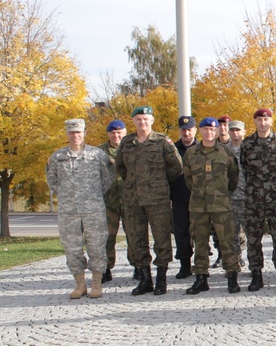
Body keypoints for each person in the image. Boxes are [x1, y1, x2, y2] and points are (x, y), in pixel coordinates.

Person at [116, 106, 184, 296]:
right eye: (138, 119)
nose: (142, 122)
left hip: (158, 199)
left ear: (152, 121)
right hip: (133, 199)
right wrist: (133, 182)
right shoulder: (127, 142)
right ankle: (145, 279)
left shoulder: (162, 141)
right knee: (137, 240)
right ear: (134, 121)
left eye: (145, 119)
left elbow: (176, 167)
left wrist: (158, 182)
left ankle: (161, 279)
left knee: (161, 238)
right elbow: (120, 167)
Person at [46, 119, 114, 299]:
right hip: (68, 211)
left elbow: (107, 179)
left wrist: (93, 195)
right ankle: (80, 284)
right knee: (72, 247)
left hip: (93, 209)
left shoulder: (97, 155)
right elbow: (52, 180)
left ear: (84, 133)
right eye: (71, 132)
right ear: (67, 134)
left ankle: (97, 284)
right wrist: (66, 196)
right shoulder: (57, 157)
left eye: (78, 132)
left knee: (97, 245)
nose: (75, 136)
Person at [182, 117, 241, 295]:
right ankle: (201, 278)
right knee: (200, 242)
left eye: (212, 129)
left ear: (216, 132)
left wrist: (221, 193)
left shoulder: (225, 152)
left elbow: (233, 177)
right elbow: (188, 178)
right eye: (206, 129)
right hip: (198, 205)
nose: (209, 132)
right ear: (200, 131)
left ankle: (232, 276)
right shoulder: (191, 153)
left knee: (227, 241)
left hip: (221, 204)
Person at [240, 108, 276, 291]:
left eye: (266, 119)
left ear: (271, 121)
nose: (263, 123)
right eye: (259, 119)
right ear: (254, 122)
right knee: (253, 239)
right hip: (253, 200)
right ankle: (256, 275)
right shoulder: (247, 144)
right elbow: (245, 169)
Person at [98, 119, 133, 284]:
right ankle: (105, 268)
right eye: (113, 132)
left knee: (134, 235)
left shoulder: (132, 148)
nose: (116, 135)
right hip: (108, 201)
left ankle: (138, 266)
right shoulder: (99, 153)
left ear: (125, 133)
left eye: (119, 132)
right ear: (108, 134)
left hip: (130, 200)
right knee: (107, 237)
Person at [170, 115, 198, 280]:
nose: (186, 133)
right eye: (183, 130)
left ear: (195, 130)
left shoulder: (202, 148)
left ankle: (201, 265)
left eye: (189, 129)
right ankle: (185, 265)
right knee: (181, 233)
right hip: (179, 196)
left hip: (199, 198)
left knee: (200, 233)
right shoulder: (172, 149)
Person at [227, 120, 248, 267]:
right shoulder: (222, 150)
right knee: (231, 235)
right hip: (230, 198)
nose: (235, 133)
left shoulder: (250, 148)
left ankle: (254, 266)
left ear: (244, 131)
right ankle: (235, 263)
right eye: (232, 130)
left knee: (251, 235)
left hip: (248, 198)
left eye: (238, 130)